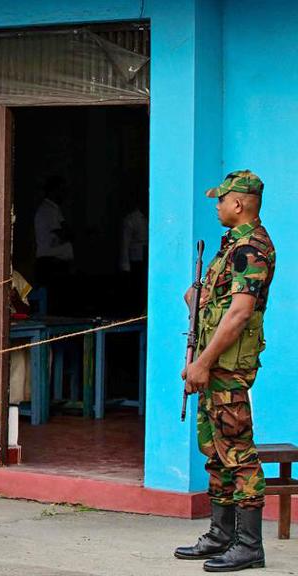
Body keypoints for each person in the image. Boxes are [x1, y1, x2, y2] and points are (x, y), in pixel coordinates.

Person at [176, 170, 274, 572]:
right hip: (215, 367)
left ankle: (249, 545)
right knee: (215, 448)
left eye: (221, 199)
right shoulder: (230, 247)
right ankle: (220, 534)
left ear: (239, 203)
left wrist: (202, 362)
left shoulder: (251, 248)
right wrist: (195, 300)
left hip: (227, 368)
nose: (216, 205)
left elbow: (239, 314)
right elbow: (217, 306)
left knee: (238, 451)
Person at [33, 176, 74, 314]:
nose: (64, 194)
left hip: (55, 262)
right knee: (52, 306)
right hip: (50, 263)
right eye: (61, 190)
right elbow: (64, 233)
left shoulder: (54, 209)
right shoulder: (47, 210)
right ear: (53, 191)